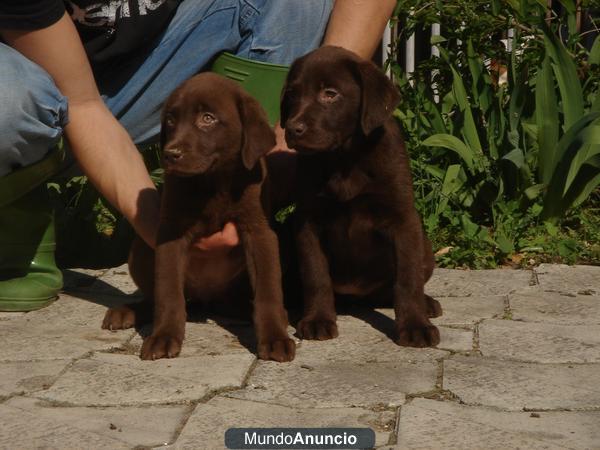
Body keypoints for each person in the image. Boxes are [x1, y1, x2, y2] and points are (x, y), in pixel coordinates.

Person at [0, 0, 397, 311]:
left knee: (294, 3)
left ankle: (244, 218)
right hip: (39, 79)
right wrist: (169, 231)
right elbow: (82, 104)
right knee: (8, 102)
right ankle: (17, 221)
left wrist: (281, 144)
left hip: (141, 70)